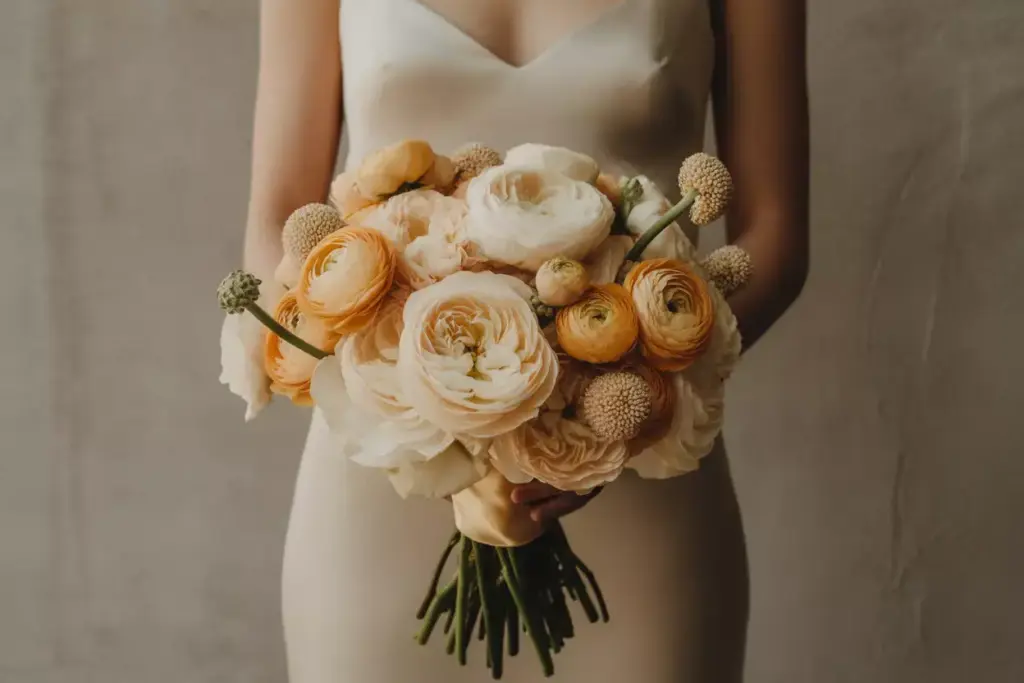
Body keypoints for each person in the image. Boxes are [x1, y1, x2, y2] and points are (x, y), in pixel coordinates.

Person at [243, 0, 808, 680]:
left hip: (642, 472)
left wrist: (609, 405)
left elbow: (774, 240)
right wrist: (431, 401)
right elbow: (276, 224)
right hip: (380, 489)